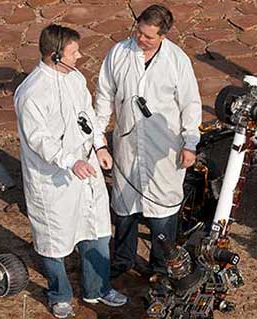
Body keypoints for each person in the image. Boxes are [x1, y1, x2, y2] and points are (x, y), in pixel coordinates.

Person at [14, 24, 128, 318]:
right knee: (55, 240)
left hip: (85, 171)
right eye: (74, 52)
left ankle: (97, 289)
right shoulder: (31, 93)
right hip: (53, 180)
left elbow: (86, 118)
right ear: (55, 55)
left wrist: (100, 147)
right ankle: (59, 293)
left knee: (97, 230)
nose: (80, 56)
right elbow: (39, 140)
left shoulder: (75, 78)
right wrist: (69, 161)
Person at [94, 4, 202, 280]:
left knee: (162, 210)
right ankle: (123, 260)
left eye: (149, 37)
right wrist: (99, 140)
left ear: (163, 36)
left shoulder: (177, 61)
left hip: (163, 149)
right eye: (139, 32)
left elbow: (190, 104)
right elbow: (104, 97)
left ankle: (160, 264)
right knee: (125, 206)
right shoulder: (118, 53)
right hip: (127, 145)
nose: (141, 39)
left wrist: (190, 142)